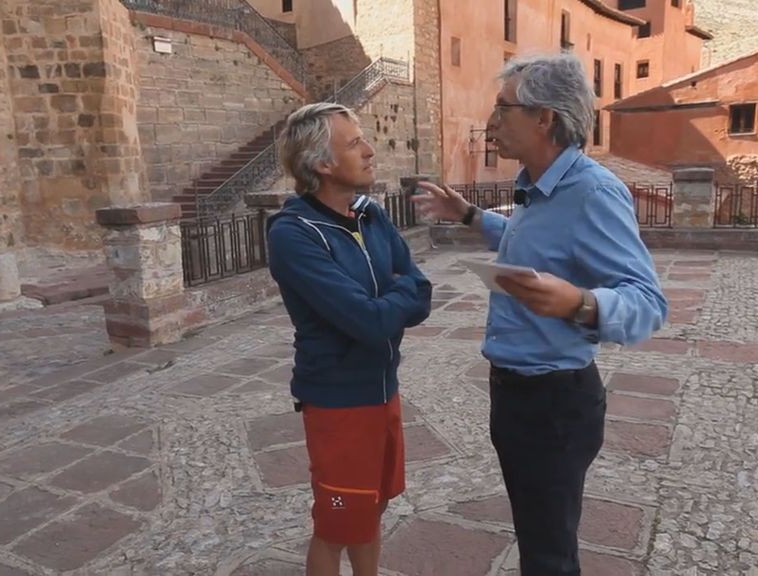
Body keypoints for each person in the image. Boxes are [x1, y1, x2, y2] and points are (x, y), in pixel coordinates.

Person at [412, 53, 667, 575]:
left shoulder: (593, 192)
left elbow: (649, 303)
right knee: (536, 533)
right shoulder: (537, 184)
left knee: (549, 553)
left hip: (554, 405)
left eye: (503, 108)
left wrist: (581, 302)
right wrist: (467, 215)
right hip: (516, 393)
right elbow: (531, 243)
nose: (491, 123)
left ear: (544, 117)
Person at [266, 102, 433, 576]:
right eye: (354, 142)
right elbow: (370, 320)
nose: (369, 149)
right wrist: (397, 296)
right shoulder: (294, 235)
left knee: (372, 509)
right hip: (338, 402)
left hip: (384, 390)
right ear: (322, 164)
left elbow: (421, 290)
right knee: (337, 527)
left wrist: (393, 299)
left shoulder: (369, 214)